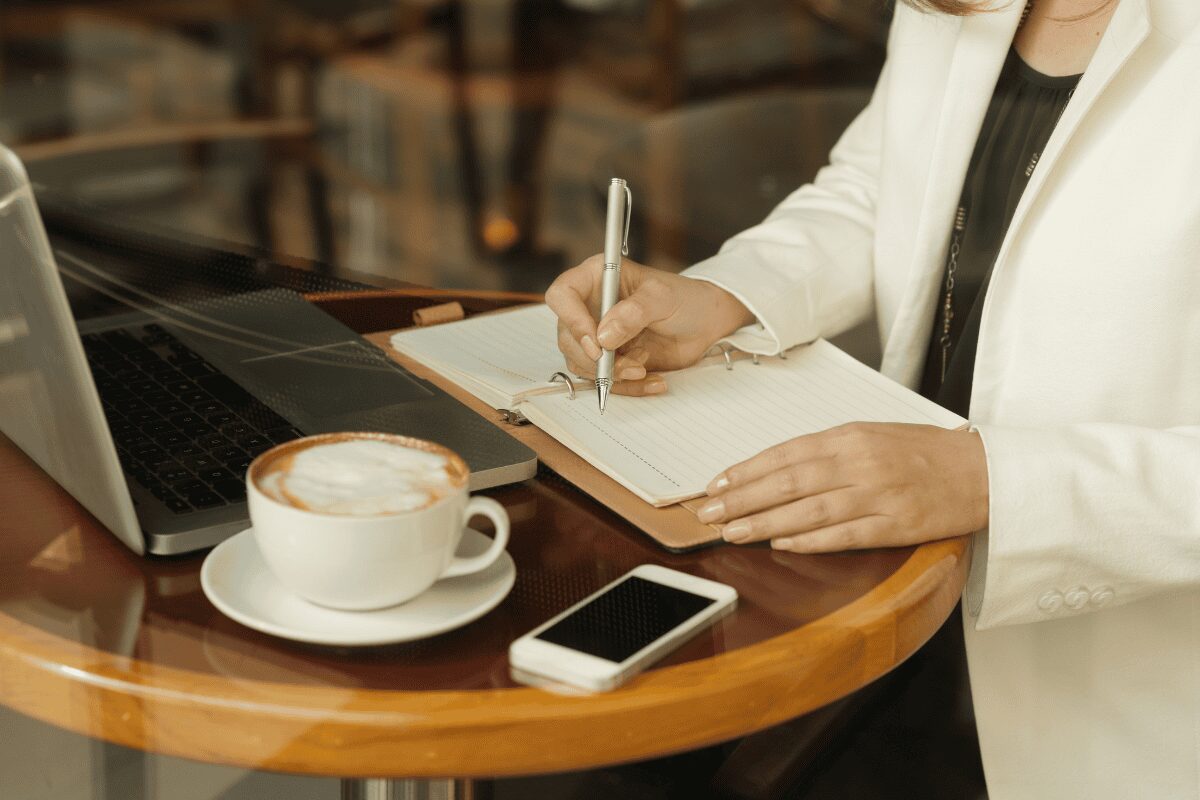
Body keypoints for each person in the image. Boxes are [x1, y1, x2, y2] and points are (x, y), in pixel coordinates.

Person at [546, 0, 1200, 797]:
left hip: (1119, 695)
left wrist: (992, 481)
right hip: (894, 599)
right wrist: (725, 296)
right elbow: (878, 185)